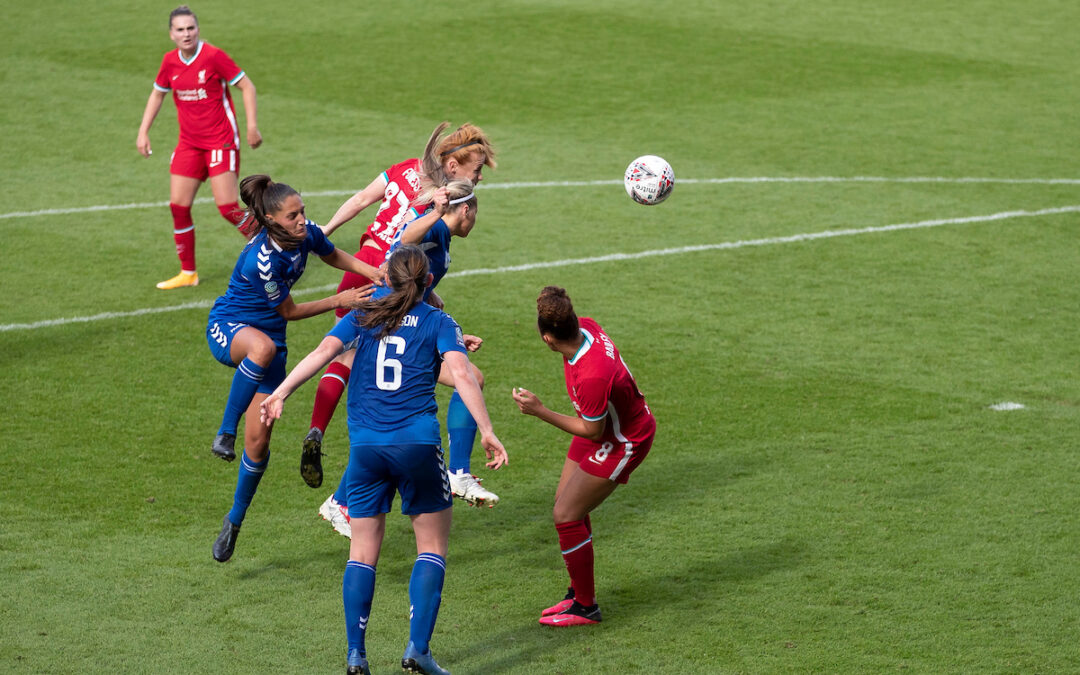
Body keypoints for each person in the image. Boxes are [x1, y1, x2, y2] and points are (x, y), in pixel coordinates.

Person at [260, 245, 508, 675]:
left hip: (367, 451)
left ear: (386, 279)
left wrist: (280, 393)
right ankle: (418, 650)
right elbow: (464, 375)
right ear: (428, 283)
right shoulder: (439, 321)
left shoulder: (364, 314)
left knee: (362, 553)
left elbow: (322, 353)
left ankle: (356, 653)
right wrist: (486, 431)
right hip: (417, 447)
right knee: (431, 547)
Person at [309, 122, 499, 531]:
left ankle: (455, 473)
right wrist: (432, 213)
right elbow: (400, 243)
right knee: (394, 413)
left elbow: (413, 276)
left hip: (403, 322)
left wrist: (442, 320)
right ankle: (343, 498)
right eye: (477, 172)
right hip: (384, 319)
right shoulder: (433, 219)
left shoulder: (439, 233)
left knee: (464, 383)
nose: (479, 178)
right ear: (464, 209)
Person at [207, 174, 381, 563]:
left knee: (260, 443)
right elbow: (290, 311)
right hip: (230, 328)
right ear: (271, 219)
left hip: (271, 346)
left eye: (302, 211)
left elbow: (331, 252)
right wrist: (342, 297)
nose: (302, 220)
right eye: (293, 215)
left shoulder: (307, 234)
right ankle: (225, 432)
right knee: (262, 346)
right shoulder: (262, 261)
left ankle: (234, 521)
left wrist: (371, 273)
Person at [511, 286, 657, 626]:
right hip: (602, 422)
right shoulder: (586, 327)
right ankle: (579, 591)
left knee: (566, 514)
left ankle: (586, 607)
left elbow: (591, 430)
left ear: (547, 339)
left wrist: (539, 410)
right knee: (566, 507)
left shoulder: (592, 375)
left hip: (623, 439)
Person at [136, 5, 263, 290]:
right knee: (178, 206)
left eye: (190, 28)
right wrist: (143, 131)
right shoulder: (170, 62)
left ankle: (276, 251)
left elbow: (248, 86)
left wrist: (252, 125)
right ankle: (188, 273)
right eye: (180, 29)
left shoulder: (214, 56)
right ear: (171, 34)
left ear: (198, 29)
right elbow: (158, 94)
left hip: (221, 140)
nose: (186, 34)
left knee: (228, 207)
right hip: (189, 145)